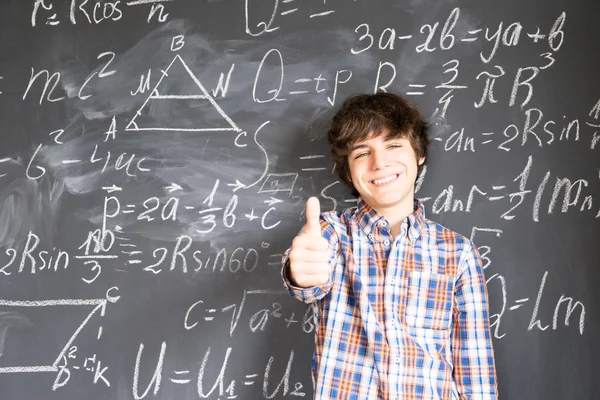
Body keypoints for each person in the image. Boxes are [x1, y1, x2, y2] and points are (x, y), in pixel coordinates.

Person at [281, 92, 498, 399]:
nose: (379, 162)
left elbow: (475, 369)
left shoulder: (459, 253)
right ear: (348, 170)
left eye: (394, 145)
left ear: (419, 154)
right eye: (361, 153)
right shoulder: (332, 234)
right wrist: (300, 273)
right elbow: (307, 278)